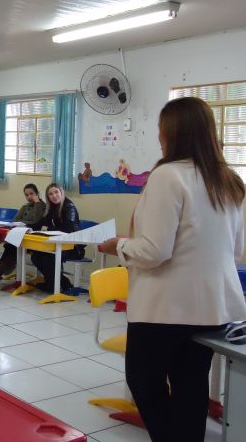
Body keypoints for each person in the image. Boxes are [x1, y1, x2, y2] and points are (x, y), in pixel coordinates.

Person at [98, 96, 246, 442]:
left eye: (161, 130)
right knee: (190, 386)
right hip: (212, 308)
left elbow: (154, 251)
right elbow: (237, 251)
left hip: (165, 309)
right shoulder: (228, 179)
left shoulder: (168, 175)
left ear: (174, 133)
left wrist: (118, 246)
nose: (158, 137)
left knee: (143, 382)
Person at [0, 183, 46, 290]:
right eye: (26, 195)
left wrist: (37, 203)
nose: (29, 197)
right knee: (10, 247)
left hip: (33, 240)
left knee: (13, 249)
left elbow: (37, 221)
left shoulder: (42, 206)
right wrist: (26, 222)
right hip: (20, 236)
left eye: (31, 194)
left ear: (37, 193)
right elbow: (16, 221)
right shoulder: (25, 207)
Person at [31, 183, 85, 292]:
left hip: (73, 247)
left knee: (49, 256)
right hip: (58, 244)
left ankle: (52, 285)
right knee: (36, 256)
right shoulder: (51, 207)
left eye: (56, 192)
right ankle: (62, 282)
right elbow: (40, 223)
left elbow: (67, 230)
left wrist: (48, 228)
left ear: (61, 192)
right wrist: (25, 227)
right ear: (48, 197)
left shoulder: (69, 207)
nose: (54, 196)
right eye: (50, 194)